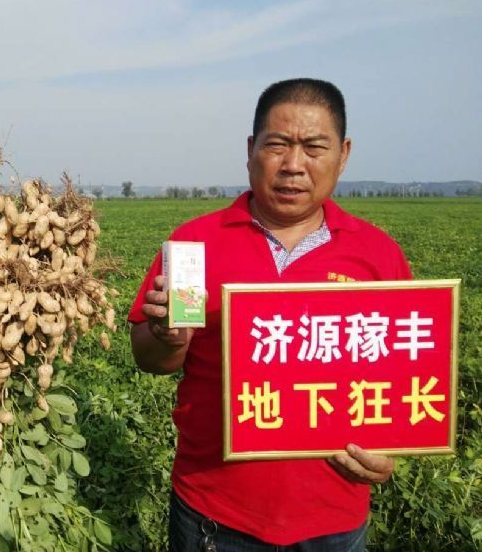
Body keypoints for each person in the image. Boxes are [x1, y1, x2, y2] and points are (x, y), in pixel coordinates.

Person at [129, 78, 412, 551]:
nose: (293, 165)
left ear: (343, 154)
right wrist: (168, 338)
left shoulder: (377, 257)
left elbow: (406, 376)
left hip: (334, 518)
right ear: (251, 150)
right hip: (214, 512)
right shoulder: (196, 245)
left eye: (314, 147)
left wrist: (393, 450)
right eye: (277, 145)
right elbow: (150, 358)